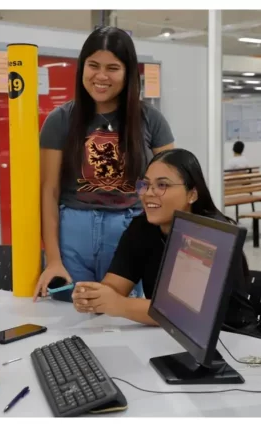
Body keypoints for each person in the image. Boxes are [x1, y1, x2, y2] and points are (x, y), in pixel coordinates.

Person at [35, 26, 175, 302]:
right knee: (70, 313)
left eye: (112, 68)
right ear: (82, 68)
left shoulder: (151, 120)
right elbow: (49, 191)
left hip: (129, 231)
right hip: (73, 233)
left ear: (128, 73)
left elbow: (169, 187)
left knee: (121, 316)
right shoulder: (60, 120)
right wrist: (53, 259)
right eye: (93, 65)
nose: (101, 76)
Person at [70, 148, 258, 333]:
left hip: (230, 340)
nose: (149, 193)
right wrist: (94, 296)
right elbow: (114, 287)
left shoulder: (212, 235)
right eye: (145, 185)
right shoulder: (141, 227)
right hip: (173, 336)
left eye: (162, 185)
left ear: (192, 194)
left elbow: (180, 312)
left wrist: (119, 304)